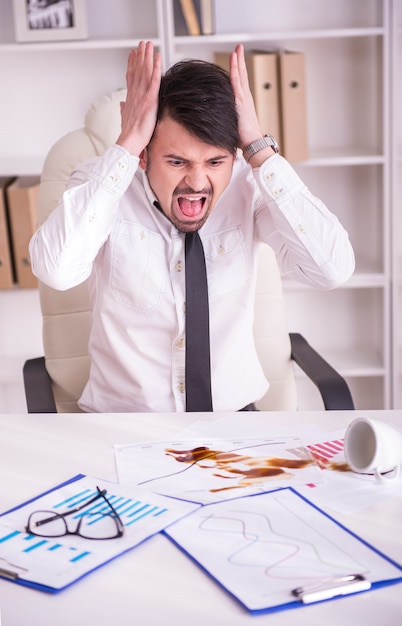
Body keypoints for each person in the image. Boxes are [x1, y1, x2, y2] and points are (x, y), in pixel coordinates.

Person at [29, 41, 355, 413]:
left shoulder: (248, 184)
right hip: (124, 425)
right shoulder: (100, 185)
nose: (198, 182)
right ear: (144, 153)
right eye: (177, 161)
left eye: (215, 161)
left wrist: (260, 150)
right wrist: (127, 145)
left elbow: (332, 269)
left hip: (234, 425)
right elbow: (55, 269)